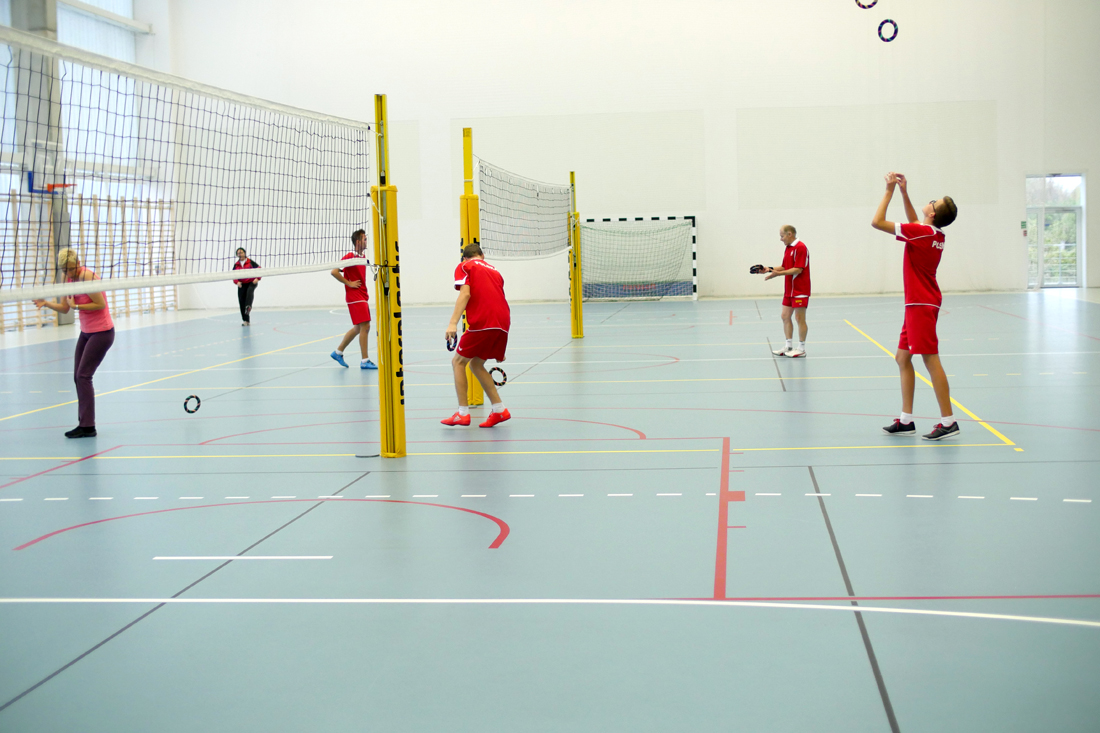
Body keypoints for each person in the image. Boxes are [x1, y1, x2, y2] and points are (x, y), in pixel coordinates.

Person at [872, 172, 959, 440]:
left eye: (934, 202)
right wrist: (904, 192)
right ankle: (906, 420)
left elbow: (877, 222)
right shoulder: (933, 233)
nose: (930, 201)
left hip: (921, 303)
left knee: (930, 359)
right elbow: (914, 224)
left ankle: (948, 421)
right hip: (919, 303)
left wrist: (889, 190)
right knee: (902, 358)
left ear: (932, 213)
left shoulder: (921, 233)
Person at [32, 248, 114, 438]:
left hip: (102, 333)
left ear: (78, 263)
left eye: (71, 268)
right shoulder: (67, 278)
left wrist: (76, 305)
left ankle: (88, 427)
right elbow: (64, 308)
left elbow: (100, 304)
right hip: (86, 333)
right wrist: (46, 303)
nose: (69, 272)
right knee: (78, 377)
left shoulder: (86, 276)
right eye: (65, 270)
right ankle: (84, 423)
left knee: (84, 376)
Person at [442, 243, 511, 428]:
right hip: (503, 323)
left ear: (465, 257)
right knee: (476, 363)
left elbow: (465, 294)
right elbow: (497, 297)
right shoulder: (495, 271)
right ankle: (499, 409)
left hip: (484, 321)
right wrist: (499, 345)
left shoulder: (465, 266)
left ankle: (462, 413)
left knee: (458, 362)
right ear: (482, 255)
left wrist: (453, 323)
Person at [754, 225, 810, 357]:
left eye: (782, 236)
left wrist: (778, 274)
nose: (781, 239)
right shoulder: (788, 248)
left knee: (799, 318)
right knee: (785, 316)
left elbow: (798, 269)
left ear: (790, 234)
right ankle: (788, 346)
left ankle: (801, 348)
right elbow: (785, 267)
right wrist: (768, 269)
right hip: (789, 290)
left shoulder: (800, 247)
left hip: (800, 289)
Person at [330, 229, 377, 370]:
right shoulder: (350, 256)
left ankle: (338, 352)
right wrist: (349, 283)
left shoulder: (362, 257)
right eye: (364, 239)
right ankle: (365, 360)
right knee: (366, 326)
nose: (366, 241)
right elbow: (334, 271)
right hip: (355, 297)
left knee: (358, 328)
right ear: (358, 242)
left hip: (362, 295)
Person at [232, 247, 260, 326]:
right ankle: (246, 320)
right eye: (238, 253)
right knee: (241, 301)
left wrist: (257, 278)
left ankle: (248, 306)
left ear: (244, 253)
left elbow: (259, 269)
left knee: (249, 292)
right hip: (242, 284)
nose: (240, 254)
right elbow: (233, 275)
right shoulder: (236, 265)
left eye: (241, 252)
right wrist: (237, 282)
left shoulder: (250, 262)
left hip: (251, 282)